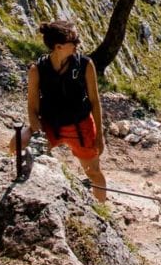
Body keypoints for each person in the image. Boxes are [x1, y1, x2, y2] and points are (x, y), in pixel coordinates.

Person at [17, 19, 107, 201]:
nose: (77, 45)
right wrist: (38, 135)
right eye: (73, 41)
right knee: (17, 144)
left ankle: (103, 209)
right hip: (50, 125)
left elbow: (95, 102)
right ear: (58, 47)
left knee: (94, 172)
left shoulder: (85, 65)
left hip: (81, 126)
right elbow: (32, 108)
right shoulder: (37, 70)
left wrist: (99, 135)